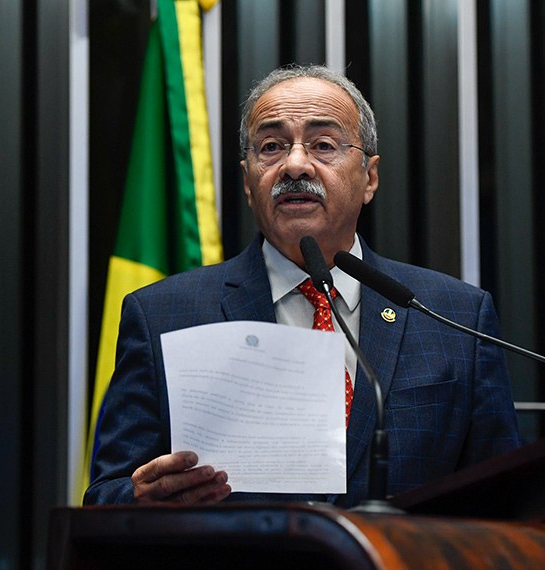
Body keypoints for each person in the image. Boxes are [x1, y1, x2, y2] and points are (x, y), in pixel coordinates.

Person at [84, 64, 520, 508]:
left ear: (369, 178)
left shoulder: (455, 317)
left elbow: (506, 506)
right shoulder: (162, 315)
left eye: (323, 145)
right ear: (248, 182)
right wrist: (141, 500)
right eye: (271, 147)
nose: (294, 165)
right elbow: (103, 499)